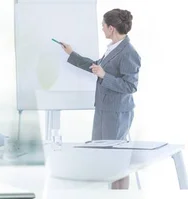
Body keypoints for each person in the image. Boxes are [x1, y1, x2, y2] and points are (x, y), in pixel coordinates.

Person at [60, 8, 140, 189]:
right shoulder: (113, 48)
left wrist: (104, 75)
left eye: (103, 26)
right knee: (100, 155)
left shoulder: (129, 52)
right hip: (104, 109)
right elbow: (96, 67)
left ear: (111, 28)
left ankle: (119, 195)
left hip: (117, 113)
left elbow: (130, 86)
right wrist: (72, 54)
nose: (102, 29)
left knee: (116, 160)